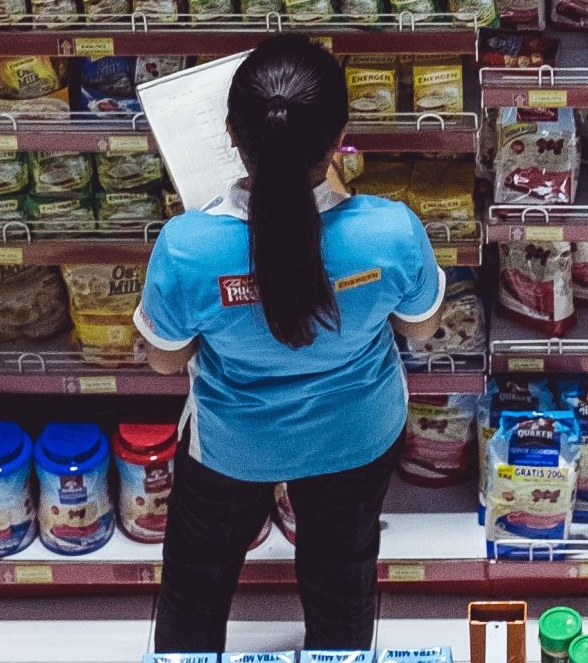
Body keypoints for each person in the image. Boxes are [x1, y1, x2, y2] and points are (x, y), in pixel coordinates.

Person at [137, 32, 444, 655]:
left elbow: (165, 359)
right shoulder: (391, 230)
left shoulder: (187, 245)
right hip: (356, 435)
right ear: (340, 137)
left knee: (197, 581)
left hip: (232, 445)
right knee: (341, 572)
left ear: (229, 133)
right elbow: (420, 328)